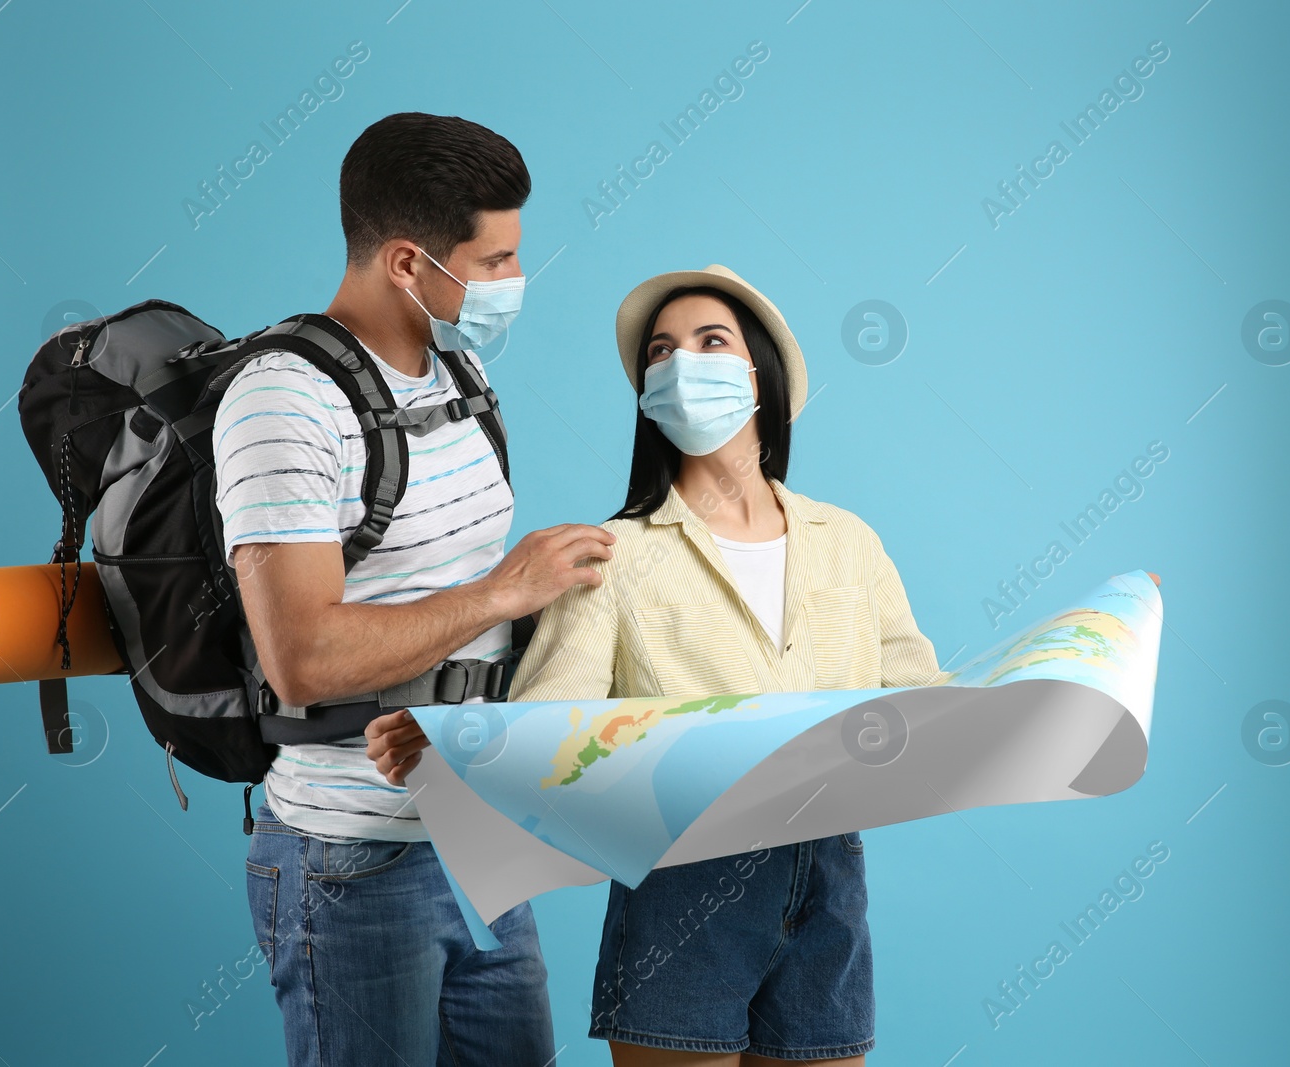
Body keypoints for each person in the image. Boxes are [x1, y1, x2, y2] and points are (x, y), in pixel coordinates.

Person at [367, 263, 949, 1065]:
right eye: (661, 353)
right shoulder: (611, 558)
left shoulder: (848, 543)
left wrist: (1079, 668)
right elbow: (548, 729)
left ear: (760, 374)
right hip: (683, 884)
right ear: (646, 393)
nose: (683, 364)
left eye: (711, 341)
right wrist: (455, 738)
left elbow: (932, 708)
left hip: (828, 880)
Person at [215, 111, 615, 1066]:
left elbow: (447, 579)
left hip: (477, 832)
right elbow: (303, 657)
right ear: (407, 262)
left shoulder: (459, 370)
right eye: (496, 259)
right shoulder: (284, 400)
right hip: (352, 856)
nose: (515, 282)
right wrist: (502, 595)